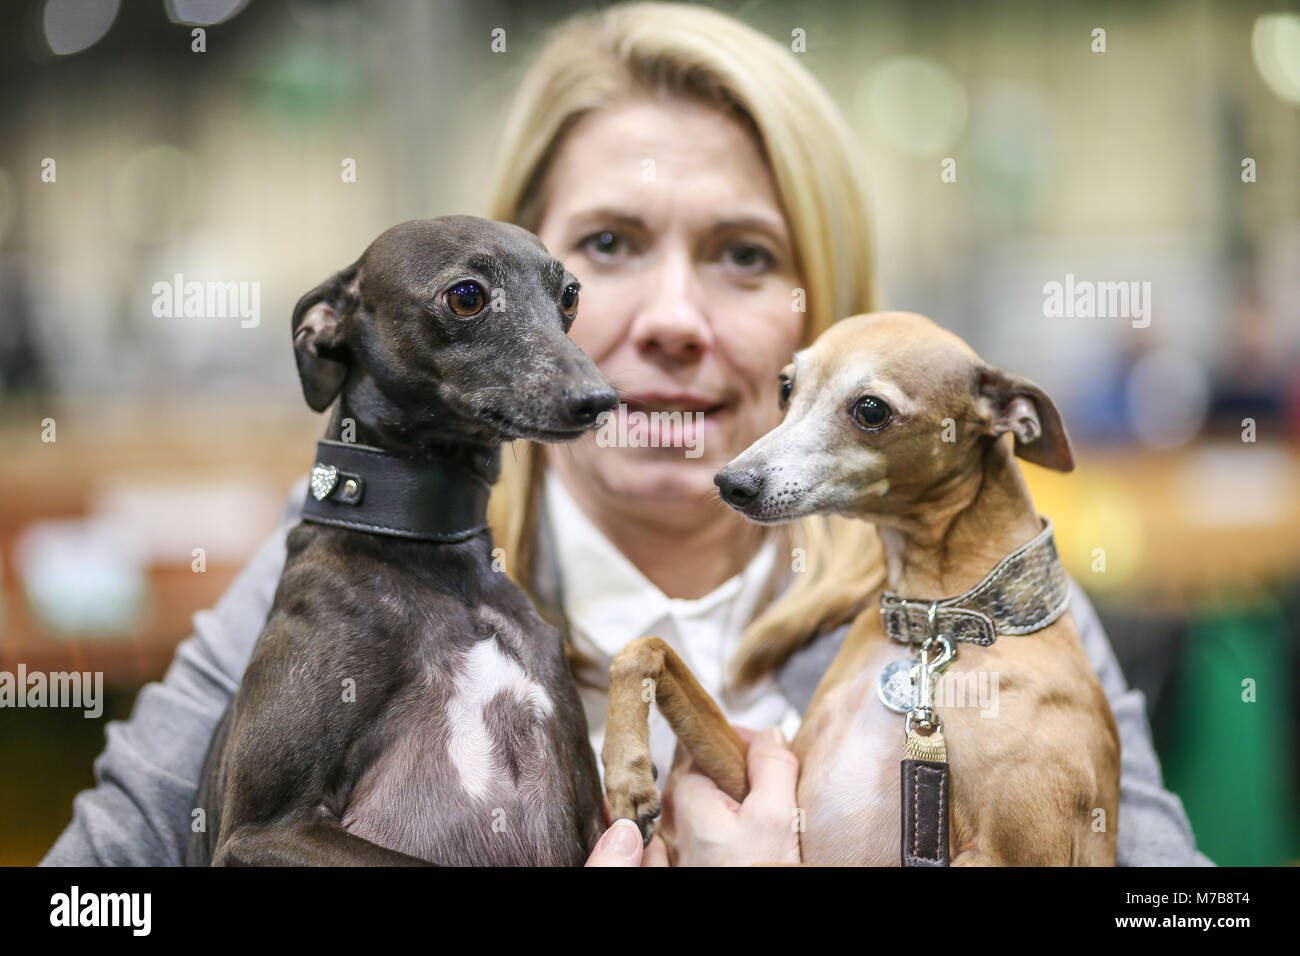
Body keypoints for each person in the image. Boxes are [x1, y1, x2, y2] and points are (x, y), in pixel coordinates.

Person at [42, 2, 1211, 867]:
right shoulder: (338, 576)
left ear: (836, 303)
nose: (667, 320)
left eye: (743, 254)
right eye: (604, 248)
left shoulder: (985, 607)